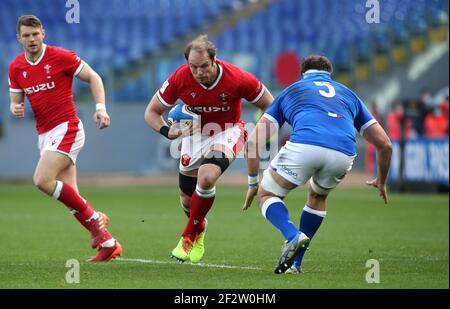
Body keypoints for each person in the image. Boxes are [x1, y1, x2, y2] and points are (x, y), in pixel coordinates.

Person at [243, 55, 392, 274]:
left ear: (303, 74)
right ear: (329, 74)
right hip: (343, 152)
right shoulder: (349, 94)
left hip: (306, 144)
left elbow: (254, 141)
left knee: (267, 194)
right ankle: (296, 265)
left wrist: (253, 183)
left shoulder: (292, 90)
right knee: (317, 196)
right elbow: (385, 145)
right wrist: (382, 180)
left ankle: (293, 236)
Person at [144, 34, 273, 263]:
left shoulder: (238, 78)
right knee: (187, 198)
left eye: (204, 66)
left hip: (228, 131)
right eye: (193, 67)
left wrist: (255, 138)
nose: (199, 72)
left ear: (214, 60)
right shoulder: (180, 78)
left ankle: (188, 237)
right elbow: (151, 112)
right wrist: (167, 131)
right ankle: (199, 228)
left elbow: (270, 106)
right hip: (194, 135)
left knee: (206, 177)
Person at [8, 15, 122, 261]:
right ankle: (109, 243)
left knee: (41, 180)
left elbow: (94, 77)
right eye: (26, 36)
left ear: (43, 33)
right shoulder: (16, 67)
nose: (31, 39)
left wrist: (100, 108)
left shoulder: (61, 56)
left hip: (67, 127)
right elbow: (15, 103)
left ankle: (95, 222)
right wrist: (15, 109)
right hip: (45, 134)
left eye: (35, 34)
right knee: (72, 197)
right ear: (19, 38)